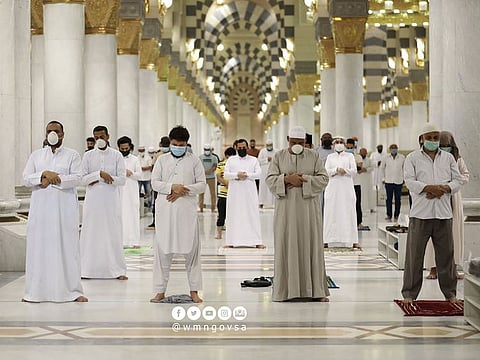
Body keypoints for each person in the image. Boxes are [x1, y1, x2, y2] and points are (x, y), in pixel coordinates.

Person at [22, 120, 87, 303]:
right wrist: (42, 176)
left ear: (63, 134)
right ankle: (35, 292)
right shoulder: (36, 155)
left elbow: (77, 178)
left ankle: (72, 291)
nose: (53, 134)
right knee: (39, 249)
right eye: (49, 131)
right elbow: (26, 178)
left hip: (64, 211)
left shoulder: (72, 155)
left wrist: (54, 179)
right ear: (45, 133)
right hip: (40, 212)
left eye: (56, 131)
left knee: (67, 249)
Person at [401, 124, 463, 305]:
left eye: (436, 138)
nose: (434, 141)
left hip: (443, 213)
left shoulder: (449, 158)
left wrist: (443, 188)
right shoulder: (412, 158)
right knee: (415, 256)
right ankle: (409, 294)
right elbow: (410, 181)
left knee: (446, 256)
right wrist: (428, 188)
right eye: (430, 138)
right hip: (421, 213)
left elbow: (458, 180)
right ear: (422, 139)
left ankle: (450, 294)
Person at [266, 126, 330, 302]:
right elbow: (270, 180)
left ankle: (316, 291)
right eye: (293, 142)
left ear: (306, 142)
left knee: (311, 247)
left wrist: (304, 180)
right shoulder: (279, 156)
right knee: (286, 246)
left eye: (300, 143)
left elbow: (324, 179)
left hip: (309, 210)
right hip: (285, 211)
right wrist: (286, 179)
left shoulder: (314, 156)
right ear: (288, 139)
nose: (297, 146)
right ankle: (285, 292)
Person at [150, 126, 206, 304]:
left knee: (192, 252)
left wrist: (183, 190)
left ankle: (195, 291)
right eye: (174, 144)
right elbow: (154, 183)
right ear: (170, 142)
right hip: (165, 212)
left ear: (186, 144)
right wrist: (172, 187)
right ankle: (160, 291)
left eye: (181, 145)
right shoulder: (161, 160)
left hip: (187, 213)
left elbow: (202, 185)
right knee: (163, 252)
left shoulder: (194, 160)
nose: (177, 147)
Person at [80, 125, 128, 280]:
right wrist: (100, 175)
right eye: (96, 137)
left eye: (101, 137)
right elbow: (82, 179)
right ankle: (87, 270)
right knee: (91, 232)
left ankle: (117, 270)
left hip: (110, 201)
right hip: (93, 201)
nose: (99, 140)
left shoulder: (117, 155)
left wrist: (101, 178)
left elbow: (122, 180)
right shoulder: (87, 156)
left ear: (108, 137)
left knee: (112, 232)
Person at [425, 131, 469, 280]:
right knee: (434, 235)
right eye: (442, 145)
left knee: (454, 235)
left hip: (453, 198)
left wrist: (451, 185)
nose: (444, 148)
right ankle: (433, 269)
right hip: (436, 199)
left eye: (447, 146)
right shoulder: (433, 159)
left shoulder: (458, 159)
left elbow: (465, 175)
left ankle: (454, 269)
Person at [224, 138, 264, 248]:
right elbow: (226, 174)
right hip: (235, 193)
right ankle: (231, 241)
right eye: (239, 148)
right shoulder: (231, 160)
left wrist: (246, 175)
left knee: (252, 215)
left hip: (249, 193)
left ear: (247, 148)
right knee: (233, 215)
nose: (242, 149)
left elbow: (259, 174)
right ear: (236, 148)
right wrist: (237, 175)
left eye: (243, 148)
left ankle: (256, 241)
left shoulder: (253, 160)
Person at [323, 136, 359, 248]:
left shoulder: (350, 156)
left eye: (341, 142)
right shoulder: (330, 157)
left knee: (348, 211)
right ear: (333, 145)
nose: (338, 144)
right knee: (331, 212)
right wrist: (335, 170)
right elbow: (326, 171)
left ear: (344, 144)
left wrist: (345, 171)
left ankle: (353, 240)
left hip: (346, 188)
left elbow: (354, 171)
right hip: (333, 188)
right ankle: (327, 240)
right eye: (336, 142)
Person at [117, 136, 142, 248]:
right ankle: (121, 241)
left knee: (133, 215)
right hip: (120, 191)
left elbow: (140, 175)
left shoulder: (135, 159)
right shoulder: (117, 158)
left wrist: (130, 173)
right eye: (122, 149)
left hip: (131, 191)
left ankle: (134, 241)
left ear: (130, 147)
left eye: (126, 148)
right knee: (121, 215)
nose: (124, 150)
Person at [148, 136, 170, 230]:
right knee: (156, 203)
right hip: (159, 184)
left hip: (168, 184)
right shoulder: (157, 155)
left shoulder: (171, 155)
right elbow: (153, 168)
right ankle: (155, 221)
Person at [215, 147, 236, 239]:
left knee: (232, 215)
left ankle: (232, 234)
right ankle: (219, 234)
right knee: (221, 214)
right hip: (223, 193)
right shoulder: (221, 164)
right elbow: (218, 176)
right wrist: (226, 183)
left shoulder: (236, 165)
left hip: (233, 194)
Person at [382, 144, 405, 222]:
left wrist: (404, 179)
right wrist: (383, 178)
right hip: (388, 181)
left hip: (399, 181)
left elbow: (404, 169)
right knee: (389, 199)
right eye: (392, 148)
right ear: (390, 149)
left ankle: (396, 215)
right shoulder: (385, 158)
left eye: (395, 148)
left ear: (397, 149)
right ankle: (389, 215)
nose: (394, 149)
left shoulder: (402, 157)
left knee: (398, 199)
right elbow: (382, 168)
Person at [346, 138, 365, 228]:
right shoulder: (344, 156)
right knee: (346, 203)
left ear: (354, 147)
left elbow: (359, 168)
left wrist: (349, 168)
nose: (349, 148)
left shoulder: (358, 156)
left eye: (351, 147)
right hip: (346, 183)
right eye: (348, 147)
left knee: (357, 203)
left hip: (356, 183)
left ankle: (359, 222)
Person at [198, 144, 218, 212]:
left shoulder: (214, 158)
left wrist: (209, 171)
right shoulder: (200, 157)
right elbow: (198, 166)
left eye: (208, 150)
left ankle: (213, 207)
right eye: (205, 150)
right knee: (201, 193)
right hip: (202, 178)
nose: (207, 151)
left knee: (213, 193)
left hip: (211, 177)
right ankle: (201, 208)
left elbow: (215, 166)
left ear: (210, 150)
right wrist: (204, 172)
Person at [258, 139, 276, 208]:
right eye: (268, 145)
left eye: (270, 145)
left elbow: (278, 160)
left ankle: (274, 202)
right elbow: (259, 161)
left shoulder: (276, 151)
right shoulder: (262, 151)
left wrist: (272, 159)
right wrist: (266, 159)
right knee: (263, 187)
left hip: (273, 171)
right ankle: (261, 202)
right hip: (264, 173)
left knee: (273, 186)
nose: (269, 146)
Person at [358, 147, 375, 214]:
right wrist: (359, 170)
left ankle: (370, 207)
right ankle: (362, 208)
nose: (363, 154)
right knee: (361, 194)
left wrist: (366, 169)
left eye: (364, 152)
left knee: (369, 193)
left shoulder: (369, 160)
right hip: (360, 179)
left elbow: (372, 167)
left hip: (367, 179)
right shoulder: (357, 159)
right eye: (362, 152)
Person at [138, 145, 153, 211]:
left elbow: (150, 167)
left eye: (142, 151)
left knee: (148, 193)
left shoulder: (148, 158)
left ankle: (150, 206)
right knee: (137, 192)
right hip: (139, 178)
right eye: (140, 151)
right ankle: (139, 206)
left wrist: (142, 168)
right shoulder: (137, 157)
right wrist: (142, 169)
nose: (141, 152)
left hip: (147, 178)